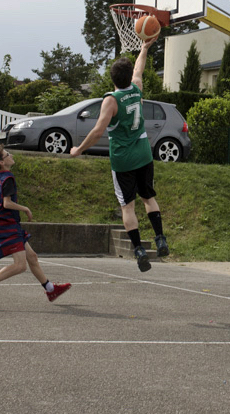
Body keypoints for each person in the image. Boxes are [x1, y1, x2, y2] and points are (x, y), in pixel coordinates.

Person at [70, 39, 169, 272]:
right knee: (148, 198)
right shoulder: (136, 89)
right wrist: (144, 48)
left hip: (123, 159)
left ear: (112, 79)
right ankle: (160, 238)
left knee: (127, 206)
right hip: (143, 153)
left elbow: (98, 131)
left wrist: (79, 149)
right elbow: (139, 69)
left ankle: (139, 250)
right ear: (127, 76)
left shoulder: (111, 101)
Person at [0, 146, 70, 308]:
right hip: (8, 226)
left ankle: (51, 290)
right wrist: (25, 209)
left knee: (32, 257)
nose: (11, 155)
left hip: (8, 225)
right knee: (20, 266)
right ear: (2, 162)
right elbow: (7, 203)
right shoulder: (8, 178)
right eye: (7, 155)